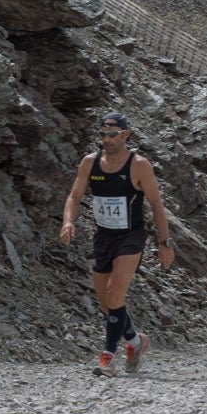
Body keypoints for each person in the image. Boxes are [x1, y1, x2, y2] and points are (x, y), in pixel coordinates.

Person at [60, 112, 176, 376]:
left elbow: (156, 204)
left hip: (130, 236)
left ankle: (108, 358)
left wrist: (165, 241)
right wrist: (68, 222)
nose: (107, 139)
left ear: (126, 135)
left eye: (113, 134)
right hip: (104, 236)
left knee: (115, 293)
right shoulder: (90, 162)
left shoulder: (139, 165)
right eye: (103, 134)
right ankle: (135, 341)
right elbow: (74, 196)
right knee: (107, 304)